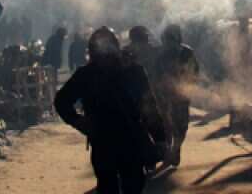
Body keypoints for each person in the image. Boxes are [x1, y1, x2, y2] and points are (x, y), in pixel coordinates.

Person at [55, 27, 166, 193]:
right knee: (122, 186)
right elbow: (61, 101)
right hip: (115, 142)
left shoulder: (128, 71)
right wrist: (80, 122)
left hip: (113, 141)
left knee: (119, 186)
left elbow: (148, 107)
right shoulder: (93, 74)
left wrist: (79, 122)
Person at [153, 24, 200, 167]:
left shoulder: (187, 52)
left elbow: (195, 72)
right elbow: (155, 74)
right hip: (165, 95)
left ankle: (176, 148)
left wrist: (187, 84)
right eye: (168, 37)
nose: (169, 41)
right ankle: (169, 150)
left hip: (182, 95)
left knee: (182, 126)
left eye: (172, 37)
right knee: (166, 125)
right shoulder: (160, 53)